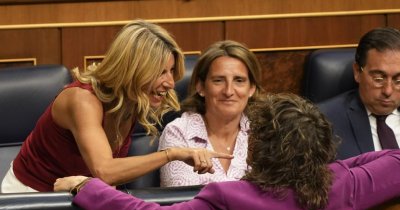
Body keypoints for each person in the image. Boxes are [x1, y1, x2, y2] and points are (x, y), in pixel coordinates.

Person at [55, 93, 400, 210]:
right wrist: (319, 167)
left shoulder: (231, 199)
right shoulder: (343, 185)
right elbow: (399, 161)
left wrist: (88, 187)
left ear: (259, 145)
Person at [0, 19, 232, 193]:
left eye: (171, 71)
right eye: (161, 72)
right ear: (133, 68)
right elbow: (105, 171)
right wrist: (171, 154)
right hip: (30, 197)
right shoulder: (82, 100)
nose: (171, 82)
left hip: (78, 192)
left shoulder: (131, 97)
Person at [158, 40, 263, 187]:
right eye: (218, 80)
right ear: (201, 86)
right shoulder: (178, 132)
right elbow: (183, 203)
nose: (229, 91)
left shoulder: (264, 134)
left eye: (239, 81)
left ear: (251, 88)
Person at [318, 27, 400, 160]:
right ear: (357, 71)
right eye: (378, 79)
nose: (388, 91)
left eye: (399, 80)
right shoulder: (323, 121)